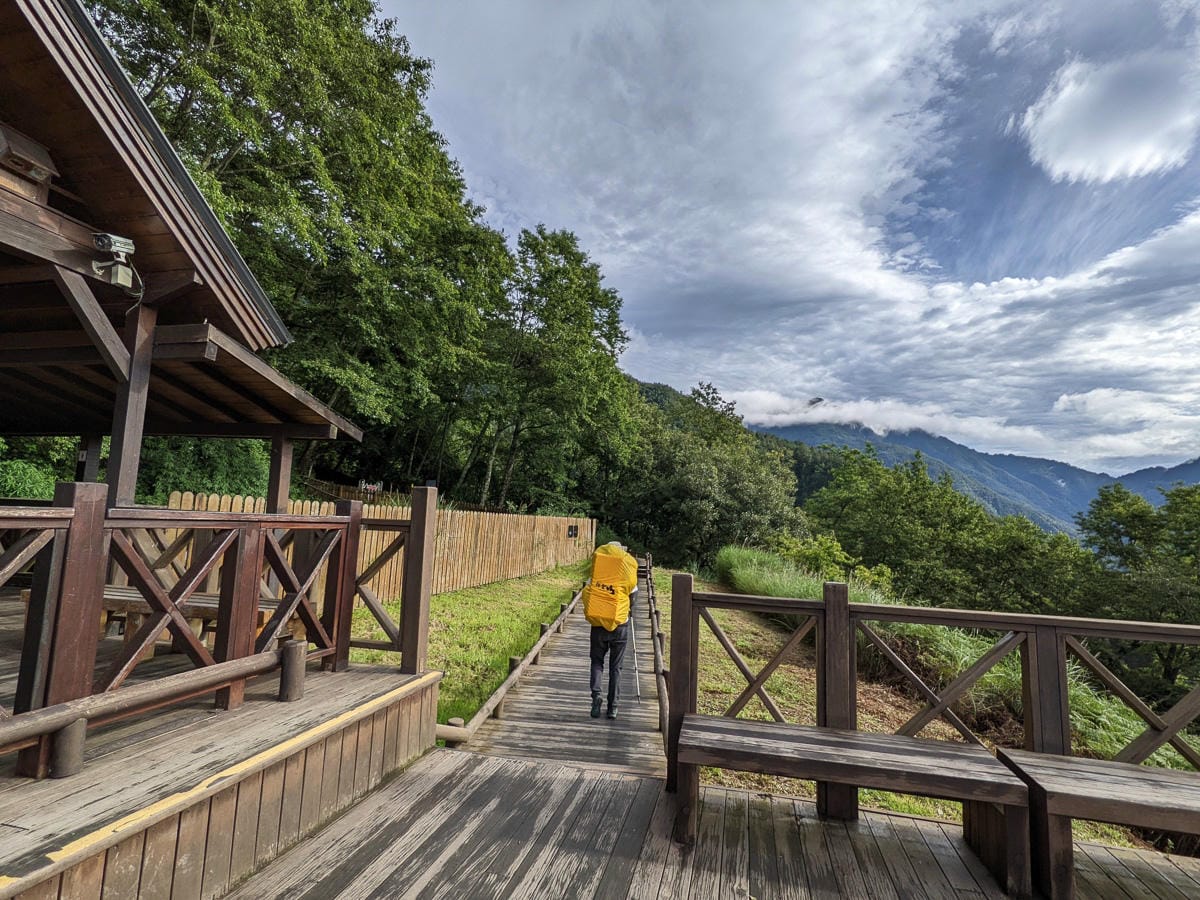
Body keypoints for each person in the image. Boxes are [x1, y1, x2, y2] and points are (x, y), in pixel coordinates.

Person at [582, 541, 638, 720]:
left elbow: (589, 590)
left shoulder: (598, 571)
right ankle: (613, 707)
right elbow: (633, 597)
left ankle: (596, 696)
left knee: (597, 663)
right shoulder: (626, 571)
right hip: (620, 624)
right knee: (616, 668)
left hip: (598, 623)